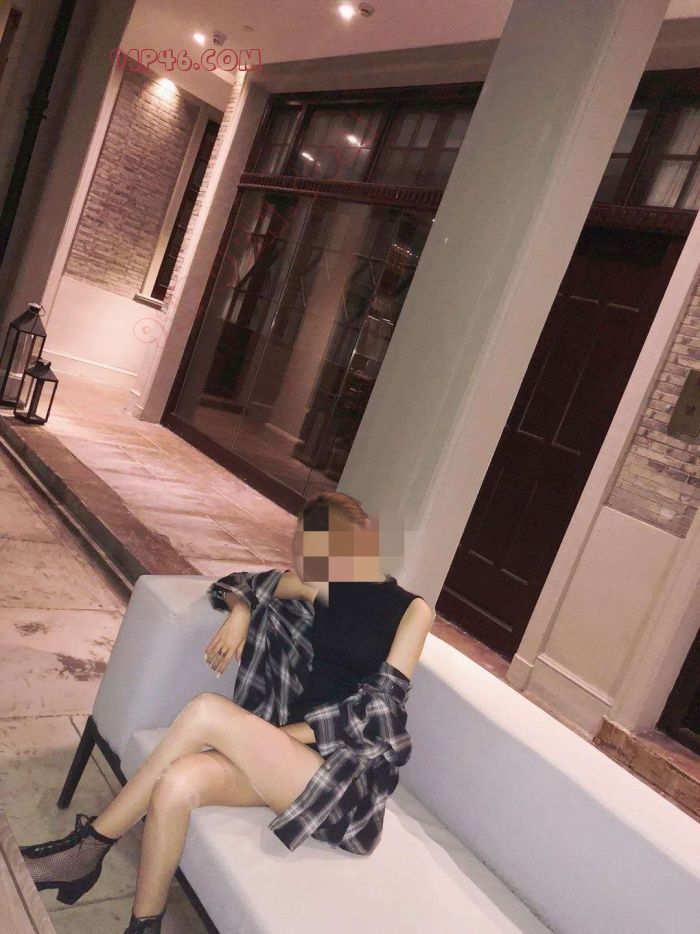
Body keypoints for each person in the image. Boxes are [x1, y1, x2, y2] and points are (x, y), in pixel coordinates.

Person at [19, 492, 434, 933]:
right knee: (176, 783)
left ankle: (85, 850)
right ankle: (142, 926)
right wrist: (241, 612)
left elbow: (379, 710)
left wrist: (279, 736)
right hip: (280, 759)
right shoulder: (321, 586)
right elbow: (238, 583)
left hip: (343, 779)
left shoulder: (412, 611)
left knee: (206, 711)